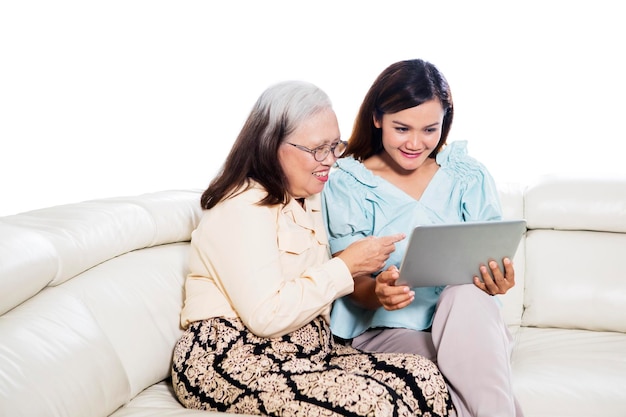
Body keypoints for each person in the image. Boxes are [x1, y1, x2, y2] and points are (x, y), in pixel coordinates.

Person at [171, 80, 455, 416]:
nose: (331, 160)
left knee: (425, 377)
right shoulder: (242, 207)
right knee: (375, 404)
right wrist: (346, 266)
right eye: (318, 149)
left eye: (335, 146)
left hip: (309, 349)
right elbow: (266, 316)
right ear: (270, 144)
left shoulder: (310, 195)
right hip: (234, 353)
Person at [322, 59, 524, 417]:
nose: (416, 143)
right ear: (377, 118)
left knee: (463, 296)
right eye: (402, 128)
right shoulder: (348, 183)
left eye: (430, 129)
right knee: (467, 374)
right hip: (390, 332)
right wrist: (379, 293)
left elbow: (490, 256)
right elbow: (350, 280)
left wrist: (497, 282)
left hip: (471, 321)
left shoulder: (467, 175)